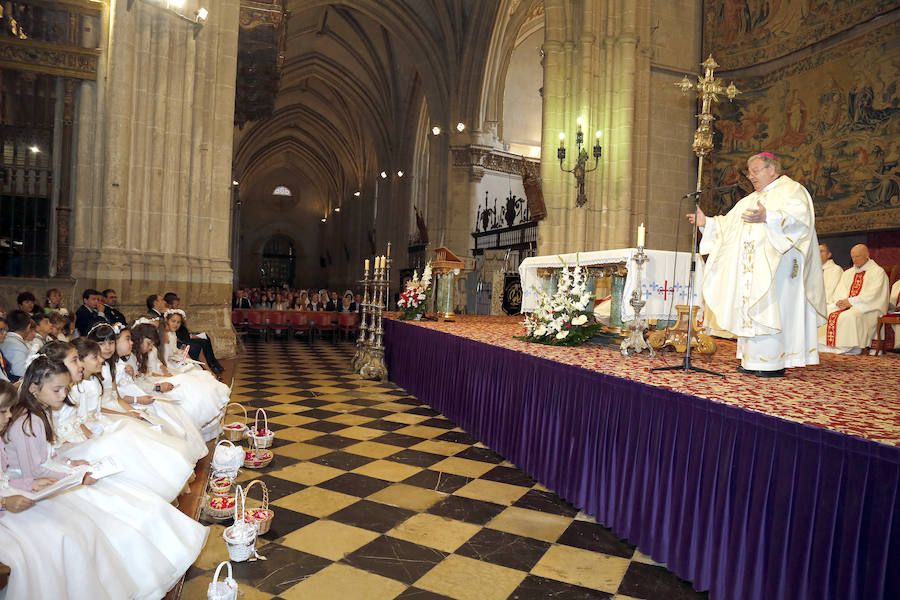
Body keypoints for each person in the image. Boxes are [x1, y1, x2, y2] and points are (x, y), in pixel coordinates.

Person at [688, 152, 825, 377]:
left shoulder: (792, 190)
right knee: (751, 310)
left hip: (778, 269)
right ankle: (752, 360)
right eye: (749, 172)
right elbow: (728, 225)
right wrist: (708, 223)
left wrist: (768, 217)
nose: (751, 177)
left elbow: (800, 221)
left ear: (772, 169)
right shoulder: (750, 199)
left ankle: (771, 364)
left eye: (755, 171)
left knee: (770, 310)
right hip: (751, 270)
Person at [818, 244, 888, 354]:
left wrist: (850, 302)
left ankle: (851, 347)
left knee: (850, 316)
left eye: (858, 256)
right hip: (849, 305)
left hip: (868, 308)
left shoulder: (877, 272)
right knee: (826, 312)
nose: (854, 259)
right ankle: (825, 345)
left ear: (867, 255)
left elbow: (873, 295)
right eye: (853, 257)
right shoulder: (848, 273)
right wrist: (840, 301)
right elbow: (839, 292)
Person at [163, 294, 225, 374]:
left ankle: (211, 368)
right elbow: (167, 353)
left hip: (177, 353)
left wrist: (183, 353)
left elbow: (175, 349)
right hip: (170, 361)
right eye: (173, 321)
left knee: (204, 341)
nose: (176, 324)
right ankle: (210, 370)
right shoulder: (166, 335)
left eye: (178, 322)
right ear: (167, 321)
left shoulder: (173, 333)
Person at [0, 310, 33, 381]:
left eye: (4, 329)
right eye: (1, 330)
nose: (4, 333)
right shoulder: (16, 345)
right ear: (28, 327)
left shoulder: (10, 340)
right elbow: (20, 372)